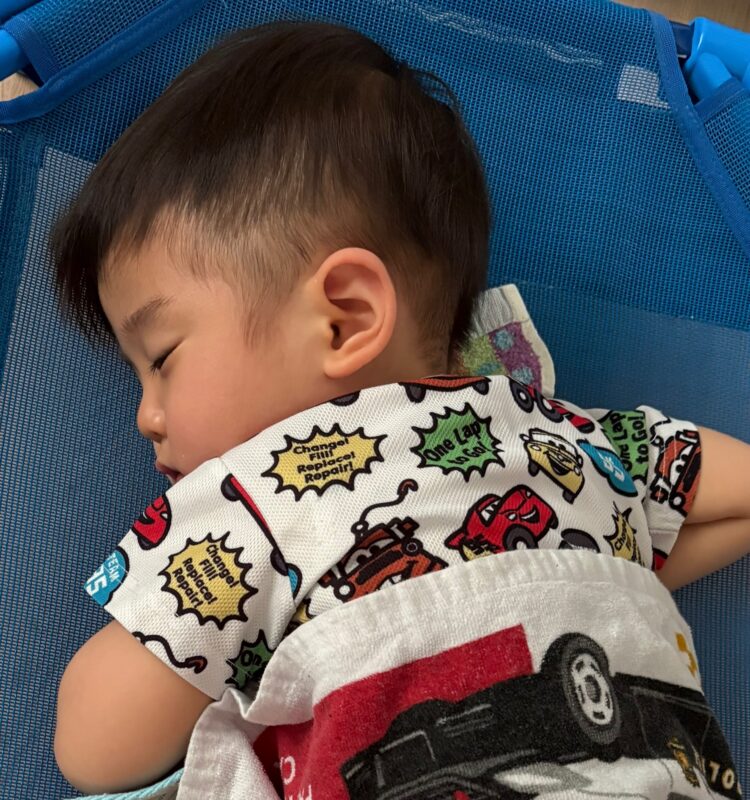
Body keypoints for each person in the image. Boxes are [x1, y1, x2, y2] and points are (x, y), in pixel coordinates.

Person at [51, 20, 750, 795]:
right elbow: (733, 492)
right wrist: (608, 573)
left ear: (343, 319)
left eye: (161, 359)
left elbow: (92, 747)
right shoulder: (562, 436)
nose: (145, 416)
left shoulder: (257, 499)